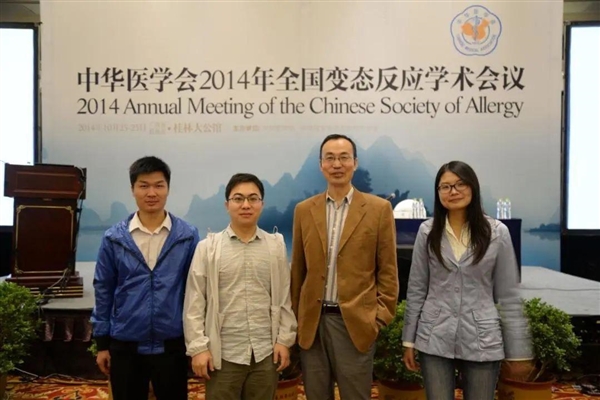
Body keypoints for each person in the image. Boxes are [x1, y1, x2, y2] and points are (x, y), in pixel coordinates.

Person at [402, 160, 535, 400]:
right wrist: (408, 340)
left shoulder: (496, 233)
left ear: (473, 187)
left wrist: (517, 351)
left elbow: (508, 295)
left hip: (482, 336)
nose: (453, 191)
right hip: (434, 335)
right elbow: (417, 289)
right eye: (445, 186)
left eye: (460, 184)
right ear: (438, 192)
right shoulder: (427, 231)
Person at [291, 134, 399, 400]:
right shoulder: (304, 210)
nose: (337, 164)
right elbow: (298, 272)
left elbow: (388, 270)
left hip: (356, 324)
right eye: (330, 158)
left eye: (343, 157)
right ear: (321, 165)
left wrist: (378, 318)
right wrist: (296, 317)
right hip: (313, 324)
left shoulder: (378, 209)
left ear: (355, 163)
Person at [91, 156, 200, 400]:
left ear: (168, 188)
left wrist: (198, 342)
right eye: (144, 186)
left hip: (171, 343)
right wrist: (102, 344)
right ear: (133, 189)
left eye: (159, 185)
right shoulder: (114, 238)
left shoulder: (187, 236)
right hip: (126, 343)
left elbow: (196, 290)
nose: (152, 193)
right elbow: (104, 289)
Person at [183, 173, 297, 400]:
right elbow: (194, 302)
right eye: (238, 199)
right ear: (227, 205)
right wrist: (198, 348)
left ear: (261, 204)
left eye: (253, 198)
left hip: (265, 354)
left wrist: (284, 340)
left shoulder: (275, 247)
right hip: (223, 355)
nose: (246, 205)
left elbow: (284, 298)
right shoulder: (208, 248)